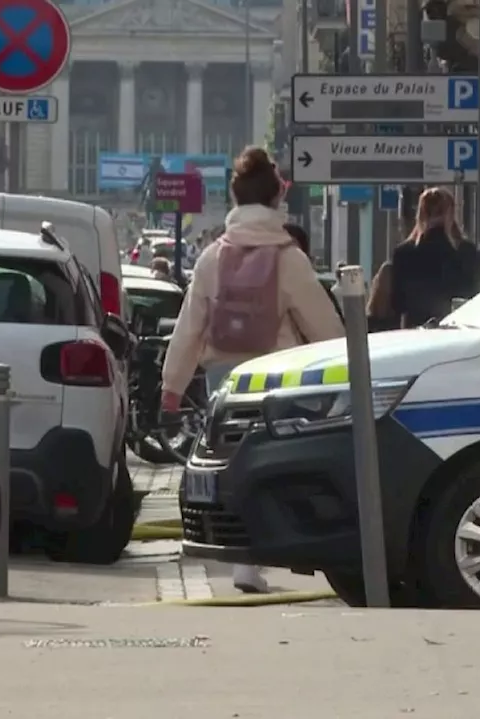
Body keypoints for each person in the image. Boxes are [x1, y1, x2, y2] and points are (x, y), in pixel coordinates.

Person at [161, 146, 345, 594]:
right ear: (276, 200)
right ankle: (261, 553)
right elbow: (325, 328)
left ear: (235, 198)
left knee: (226, 464)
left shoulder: (212, 258)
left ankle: (238, 556)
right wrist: (348, 369)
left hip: (223, 374)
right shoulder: (289, 259)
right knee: (270, 464)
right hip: (278, 375)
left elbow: (189, 327)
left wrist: (171, 388)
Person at [369, 187, 480, 329]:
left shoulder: (404, 255)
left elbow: (398, 304)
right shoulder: (469, 254)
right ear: (451, 215)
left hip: (417, 336)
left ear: (420, 215)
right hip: (460, 335)